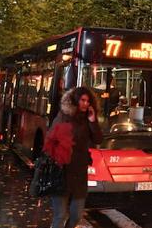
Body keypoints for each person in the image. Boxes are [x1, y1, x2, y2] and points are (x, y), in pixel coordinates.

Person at [49, 87, 102, 228]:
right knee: (60, 216)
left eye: (88, 101)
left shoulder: (88, 119)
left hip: (79, 174)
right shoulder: (63, 116)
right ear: (75, 101)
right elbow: (50, 140)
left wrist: (93, 121)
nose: (85, 104)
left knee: (77, 215)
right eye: (82, 100)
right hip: (61, 172)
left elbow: (98, 139)